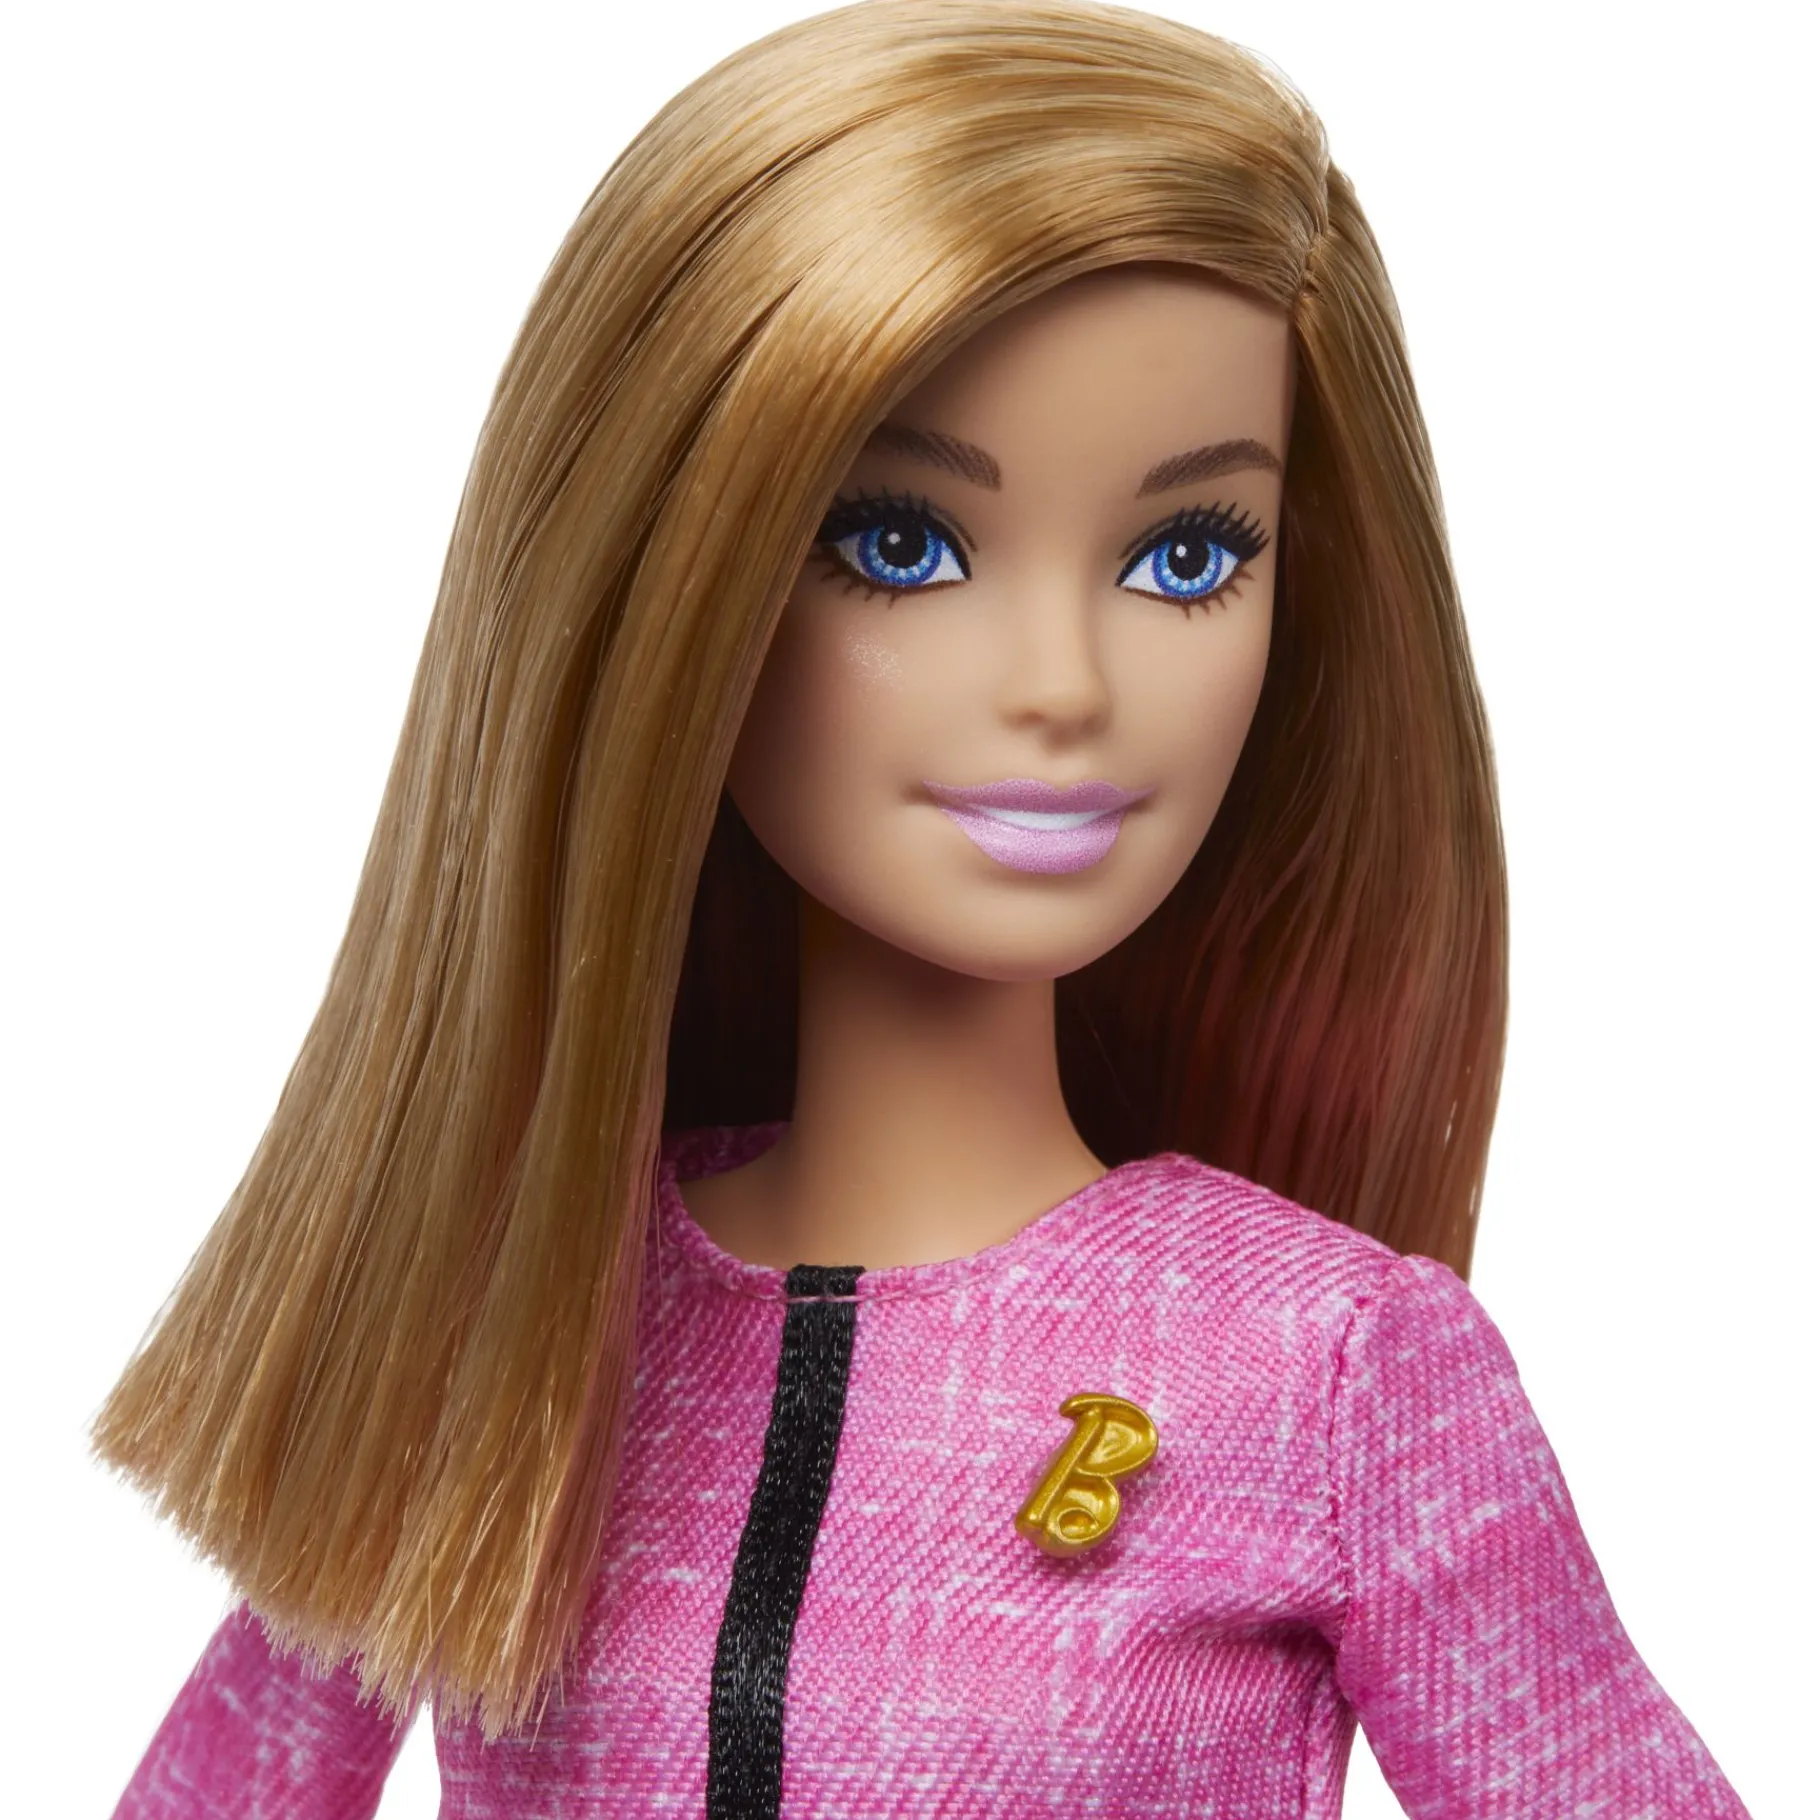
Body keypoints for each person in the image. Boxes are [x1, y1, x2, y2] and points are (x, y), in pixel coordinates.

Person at [96, 3, 1749, 1814]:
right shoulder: (520, 1316)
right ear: (668, 588)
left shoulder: (1330, 1366)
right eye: (901, 543)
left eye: (1187, 556)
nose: (1062, 684)